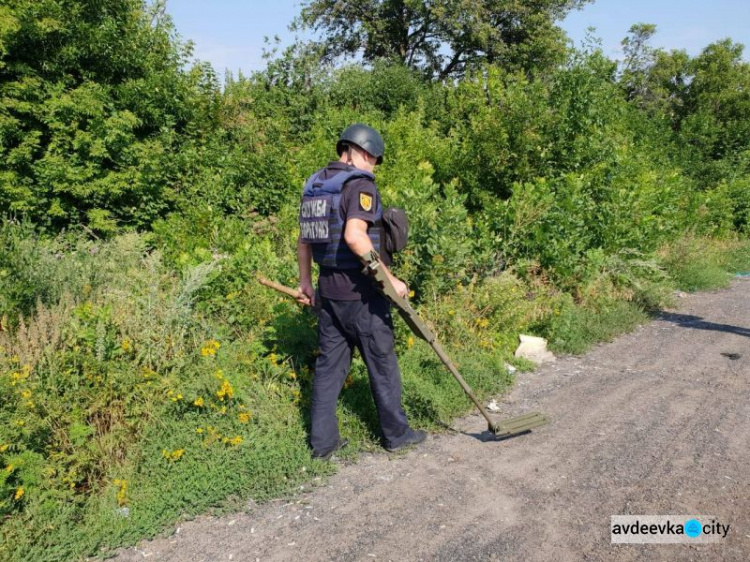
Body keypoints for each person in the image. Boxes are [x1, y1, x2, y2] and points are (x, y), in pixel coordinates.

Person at [297, 123, 427, 459]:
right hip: (362, 295)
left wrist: (306, 283)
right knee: (382, 363)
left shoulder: (316, 185)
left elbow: (304, 241)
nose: (374, 167)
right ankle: (397, 435)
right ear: (365, 152)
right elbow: (355, 236)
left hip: (328, 292)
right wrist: (391, 280)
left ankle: (322, 446)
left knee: (329, 368)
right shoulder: (359, 185)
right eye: (375, 160)